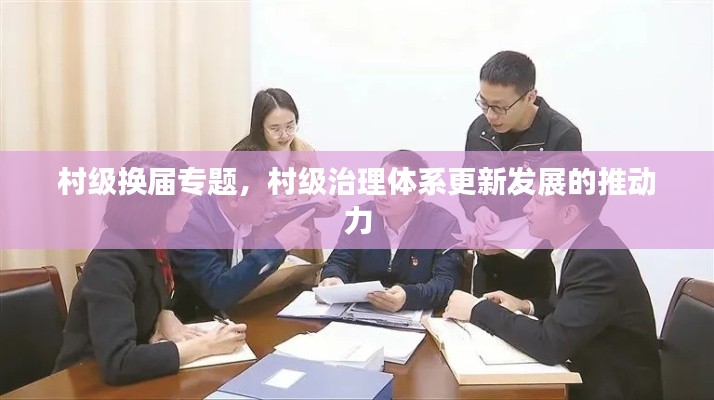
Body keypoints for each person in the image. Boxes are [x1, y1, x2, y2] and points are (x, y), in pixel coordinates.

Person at [445, 154, 662, 400]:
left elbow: (550, 343)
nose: (527, 208)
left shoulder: (597, 260)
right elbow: (571, 311)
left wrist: (477, 309)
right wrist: (525, 306)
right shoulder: (585, 243)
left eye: (538, 201)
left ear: (568, 213)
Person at [55, 153, 246, 385]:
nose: (191, 207)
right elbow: (119, 362)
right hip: (85, 382)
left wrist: (162, 313)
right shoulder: (111, 261)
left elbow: (147, 296)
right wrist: (205, 345)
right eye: (186, 199)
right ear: (158, 208)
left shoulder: (152, 243)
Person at [460, 50, 583, 300]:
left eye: (500, 107)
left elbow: (563, 213)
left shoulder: (561, 136)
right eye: (484, 103)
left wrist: (509, 245)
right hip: (488, 268)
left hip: (537, 273)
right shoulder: (479, 130)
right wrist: (479, 210)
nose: (490, 115)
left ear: (530, 97)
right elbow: (467, 186)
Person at [169, 151, 315, 322]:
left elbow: (242, 276)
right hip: (191, 323)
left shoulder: (242, 217)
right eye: (266, 196)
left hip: (228, 316)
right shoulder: (192, 225)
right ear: (234, 197)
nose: (273, 204)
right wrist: (278, 244)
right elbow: (218, 293)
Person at [319, 150, 462, 312]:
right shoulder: (360, 216)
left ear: (418, 195)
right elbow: (340, 261)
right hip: (359, 312)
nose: (382, 195)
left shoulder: (443, 225)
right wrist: (334, 277)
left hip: (418, 316)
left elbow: (447, 282)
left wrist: (409, 297)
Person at [231, 88, 339, 256]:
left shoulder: (305, 151)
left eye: (290, 126)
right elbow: (231, 209)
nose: (284, 135)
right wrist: (266, 206)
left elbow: (322, 193)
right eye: (275, 129)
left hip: (303, 247)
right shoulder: (243, 156)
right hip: (262, 250)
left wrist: (328, 205)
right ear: (260, 127)